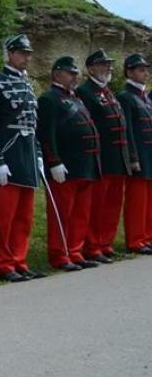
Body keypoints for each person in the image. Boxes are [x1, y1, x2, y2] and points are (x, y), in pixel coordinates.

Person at [0, 34, 43, 282]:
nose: (26, 57)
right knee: (5, 217)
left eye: (28, 53)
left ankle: (19, 260)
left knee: (24, 216)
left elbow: (33, 124)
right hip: (7, 155)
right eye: (22, 52)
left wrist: (37, 155)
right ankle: (4, 265)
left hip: (26, 155)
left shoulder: (28, 85)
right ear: (9, 54)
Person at [36, 56, 102, 272]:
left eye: (76, 73)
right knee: (62, 214)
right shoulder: (49, 99)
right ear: (57, 74)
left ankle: (75, 250)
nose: (75, 77)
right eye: (70, 73)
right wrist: (54, 161)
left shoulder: (76, 99)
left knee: (80, 214)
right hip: (65, 166)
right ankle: (59, 254)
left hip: (85, 164)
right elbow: (47, 133)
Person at [77, 50, 136, 263]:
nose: (107, 68)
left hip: (118, 158)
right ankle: (92, 246)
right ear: (91, 68)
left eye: (109, 64)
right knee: (98, 206)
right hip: (102, 158)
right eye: (102, 64)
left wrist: (129, 156)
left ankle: (105, 243)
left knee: (112, 205)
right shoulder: (85, 92)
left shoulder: (108, 92)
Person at [116, 53, 152, 254]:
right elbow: (127, 130)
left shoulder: (144, 97)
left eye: (146, 68)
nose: (145, 72)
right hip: (139, 155)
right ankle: (136, 240)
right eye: (140, 69)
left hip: (150, 154)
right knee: (137, 202)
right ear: (129, 72)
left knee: (149, 201)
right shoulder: (125, 96)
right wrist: (133, 158)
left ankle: (147, 236)